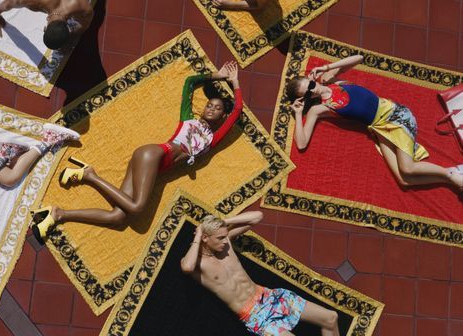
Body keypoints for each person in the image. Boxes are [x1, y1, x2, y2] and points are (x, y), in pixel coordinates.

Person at [31, 61, 243, 242]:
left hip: (152, 165)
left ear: (222, 116)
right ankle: (89, 175)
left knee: (119, 218)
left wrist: (236, 84)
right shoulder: (188, 118)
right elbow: (190, 83)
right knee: (138, 208)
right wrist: (219, 76)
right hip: (155, 154)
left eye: (217, 108)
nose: (211, 109)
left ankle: (59, 214)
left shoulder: (212, 139)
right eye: (209, 105)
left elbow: (237, 110)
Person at [286, 55, 463, 191]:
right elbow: (301, 143)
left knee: (407, 169)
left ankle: (450, 173)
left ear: (310, 78)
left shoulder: (330, 80)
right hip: (380, 129)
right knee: (404, 181)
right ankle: (452, 174)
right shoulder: (319, 109)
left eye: (310, 85)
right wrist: (299, 112)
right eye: (307, 94)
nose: (312, 90)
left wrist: (326, 66)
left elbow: (359, 58)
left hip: (395, 115)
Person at [181, 212, 340, 336]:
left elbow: (257, 217)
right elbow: (186, 267)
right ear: (205, 238)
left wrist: (225, 223)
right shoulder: (198, 263)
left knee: (330, 318)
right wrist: (198, 234)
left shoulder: (226, 242)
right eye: (220, 238)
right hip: (256, 316)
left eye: (225, 236)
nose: (225, 241)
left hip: (271, 297)